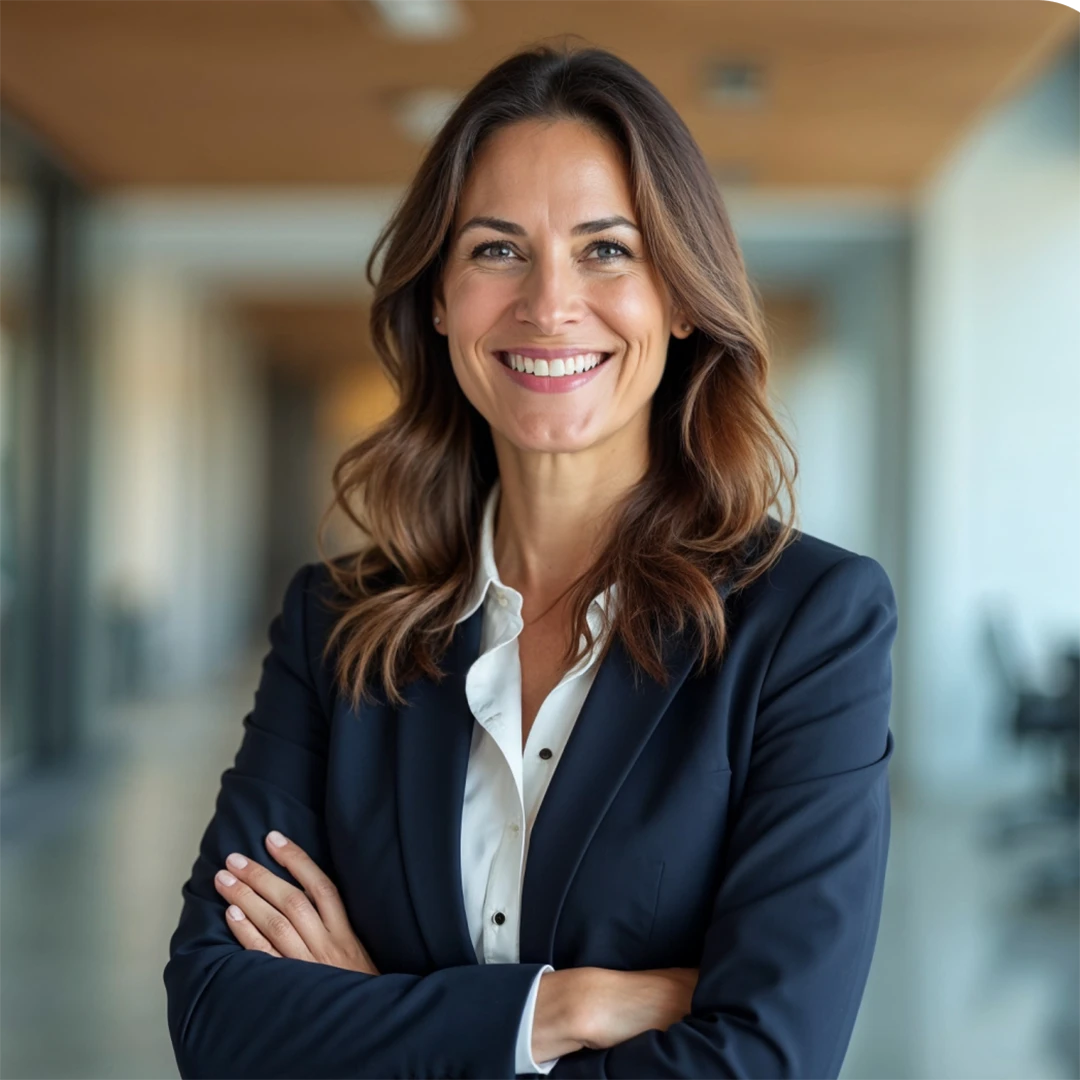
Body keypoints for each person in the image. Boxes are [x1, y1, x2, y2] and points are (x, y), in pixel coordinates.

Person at [164, 41, 898, 1080]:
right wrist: (557, 1011)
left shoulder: (810, 622)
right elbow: (214, 1017)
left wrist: (379, 1015)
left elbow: (766, 1061)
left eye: (607, 250)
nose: (550, 304)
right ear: (436, 297)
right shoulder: (336, 622)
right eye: (497, 250)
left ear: (681, 297)